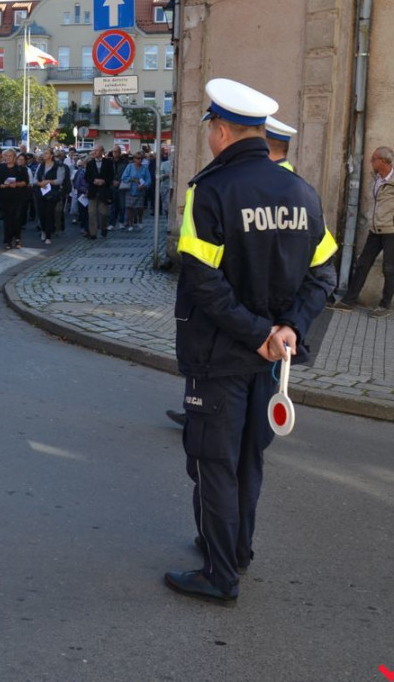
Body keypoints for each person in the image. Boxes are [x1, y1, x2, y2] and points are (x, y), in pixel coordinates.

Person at [165, 78, 337, 603]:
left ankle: (220, 575)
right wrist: (288, 330)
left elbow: (202, 281)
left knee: (213, 462)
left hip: (222, 355)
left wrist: (258, 333)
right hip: (271, 361)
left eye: (210, 131)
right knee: (247, 459)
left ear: (220, 131)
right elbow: (324, 274)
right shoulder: (301, 191)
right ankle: (236, 549)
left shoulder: (210, 192)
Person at [333, 146, 394, 318]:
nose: (370, 162)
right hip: (375, 230)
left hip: (391, 231)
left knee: (389, 269)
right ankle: (349, 301)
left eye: (373, 159)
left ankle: (385, 305)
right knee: (362, 264)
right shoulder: (377, 179)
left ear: (382, 161)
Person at [0, 152, 31, 249]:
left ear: (14, 157)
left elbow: (25, 182)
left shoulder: (21, 169)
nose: (8, 158)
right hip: (6, 197)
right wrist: (7, 185)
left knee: (17, 218)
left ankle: (17, 238)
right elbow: (0, 184)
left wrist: (16, 184)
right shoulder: (2, 169)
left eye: (10, 156)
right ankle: (8, 240)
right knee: (7, 220)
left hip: (18, 197)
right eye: (6, 156)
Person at [37, 149, 70, 242]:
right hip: (41, 192)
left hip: (52, 193)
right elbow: (35, 178)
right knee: (41, 214)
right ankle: (43, 230)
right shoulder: (41, 165)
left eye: (46, 153)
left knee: (49, 213)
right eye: (44, 153)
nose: (44, 154)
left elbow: (60, 180)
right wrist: (39, 183)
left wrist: (48, 181)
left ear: (51, 155)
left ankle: (48, 235)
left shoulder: (58, 166)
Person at [84, 145, 114, 239]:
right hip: (93, 190)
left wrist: (104, 181)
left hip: (104, 191)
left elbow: (111, 175)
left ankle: (104, 227)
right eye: (94, 150)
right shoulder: (90, 163)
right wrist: (94, 181)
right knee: (92, 213)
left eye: (97, 150)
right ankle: (93, 233)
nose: (95, 152)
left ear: (102, 152)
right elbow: (87, 176)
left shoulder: (108, 162)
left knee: (103, 213)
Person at [120, 153, 151, 231]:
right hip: (130, 189)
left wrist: (144, 185)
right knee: (130, 207)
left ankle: (140, 221)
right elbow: (124, 177)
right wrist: (131, 179)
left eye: (141, 158)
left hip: (140, 190)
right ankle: (131, 224)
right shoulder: (129, 166)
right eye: (137, 158)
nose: (139, 160)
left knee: (140, 207)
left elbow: (149, 179)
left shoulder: (144, 168)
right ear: (134, 159)